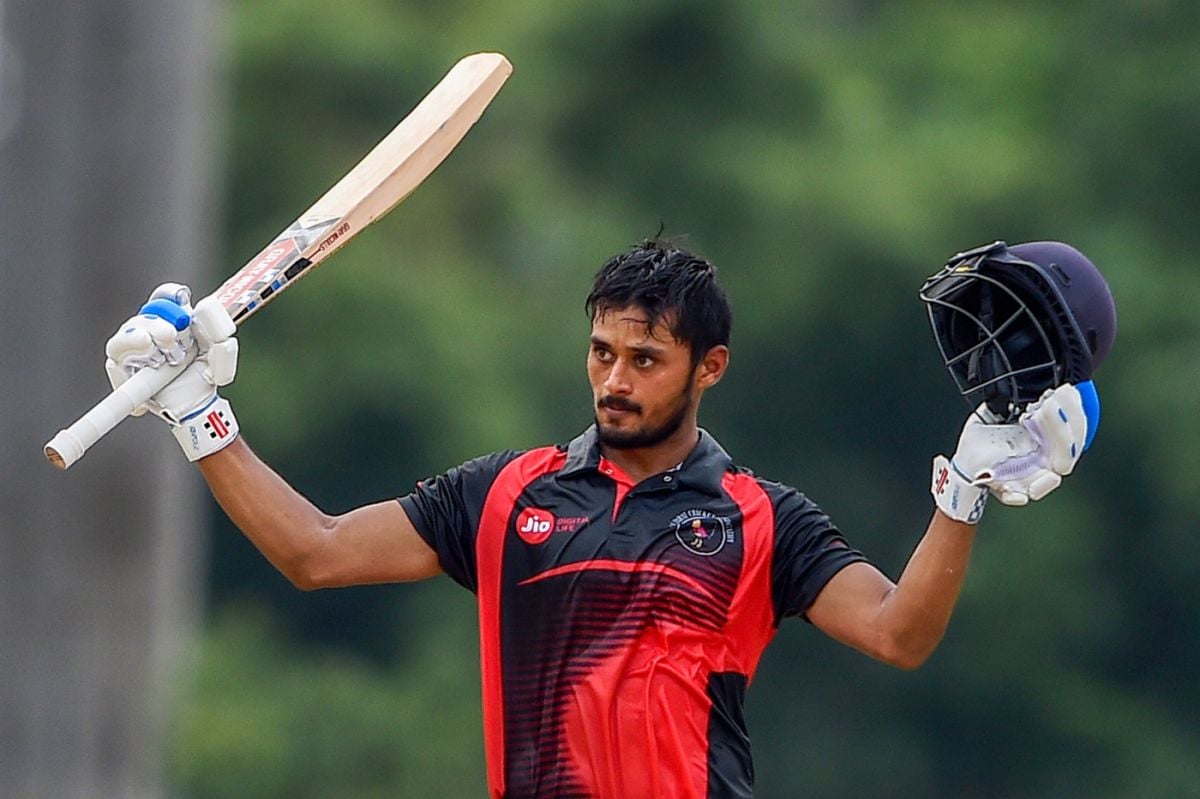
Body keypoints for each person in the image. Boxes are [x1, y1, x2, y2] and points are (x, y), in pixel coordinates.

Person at [105, 240, 1099, 799]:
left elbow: (898, 631)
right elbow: (312, 553)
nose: (614, 381)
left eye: (646, 360)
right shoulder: (504, 494)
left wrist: (961, 495)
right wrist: (198, 415)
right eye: (600, 353)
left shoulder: (763, 519)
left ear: (710, 367)